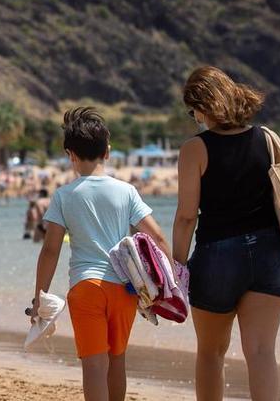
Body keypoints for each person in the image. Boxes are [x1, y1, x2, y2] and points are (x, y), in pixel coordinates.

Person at [172, 66, 280, 401]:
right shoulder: (266, 137)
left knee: (211, 353)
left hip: (217, 257)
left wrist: (177, 265)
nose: (194, 117)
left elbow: (187, 216)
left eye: (192, 111)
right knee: (261, 353)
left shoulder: (195, 150)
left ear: (202, 106)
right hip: (270, 256)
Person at [32, 107, 171, 401]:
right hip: (123, 288)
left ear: (70, 154)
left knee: (94, 366)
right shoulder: (127, 191)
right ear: (107, 151)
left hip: (85, 287)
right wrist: (173, 280)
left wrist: (39, 295)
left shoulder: (64, 196)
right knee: (117, 360)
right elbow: (157, 236)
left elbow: (50, 250)